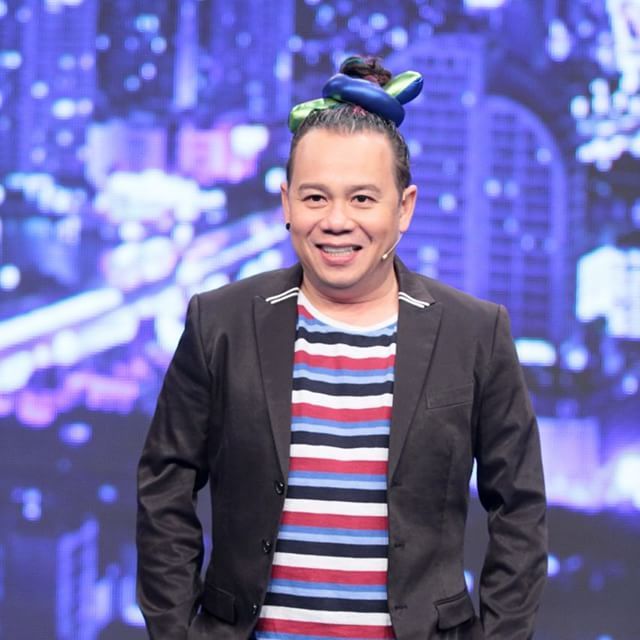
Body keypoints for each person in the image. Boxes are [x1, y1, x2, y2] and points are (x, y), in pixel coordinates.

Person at [136, 56, 547, 640]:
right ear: (286, 204)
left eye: (362, 199)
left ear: (404, 208)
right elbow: (165, 485)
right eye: (315, 198)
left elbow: (520, 509)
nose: (335, 221)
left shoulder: (475, 333)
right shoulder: (219, 323)